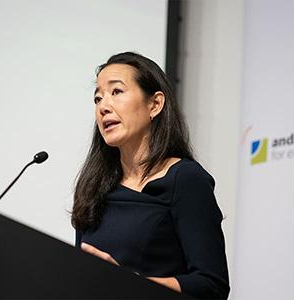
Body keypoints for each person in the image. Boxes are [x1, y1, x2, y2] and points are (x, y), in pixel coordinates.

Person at [72, 52, 230, 299]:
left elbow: (211, 285)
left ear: (155, 104)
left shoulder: (186, 180)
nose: (103, 106)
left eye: (116, 92)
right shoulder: (93, 187)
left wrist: (130, 284)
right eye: (97, 98)